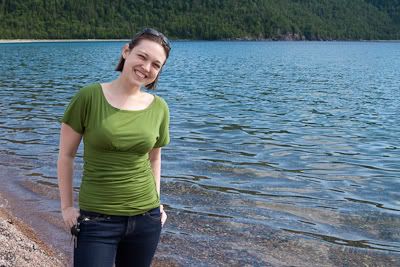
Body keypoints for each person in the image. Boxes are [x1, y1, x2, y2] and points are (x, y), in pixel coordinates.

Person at [57, 28, 171, 267]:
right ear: (126, 52)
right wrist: (67, 207)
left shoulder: (159, 107)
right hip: (97, 220)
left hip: (146, 219)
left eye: (156, 64)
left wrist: (158, 203)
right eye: (142, 56)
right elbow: (66, 156)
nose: (146, 67)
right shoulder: (88, 97)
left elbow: (154, 159)